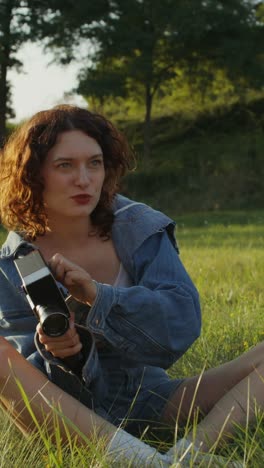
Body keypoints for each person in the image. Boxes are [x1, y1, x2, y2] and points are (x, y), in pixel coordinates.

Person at [0, 104, 263, 467]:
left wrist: (97, 296)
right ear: (34, 173)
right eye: (65, 165)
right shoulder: (13, 263)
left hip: (154, 399)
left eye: (94, 163)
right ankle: (141, 461)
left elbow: (181, 322)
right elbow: (31, 390)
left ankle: (189, 454)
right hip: (71, 420)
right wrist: (61, 354)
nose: (84, 179)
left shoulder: (138, 228)